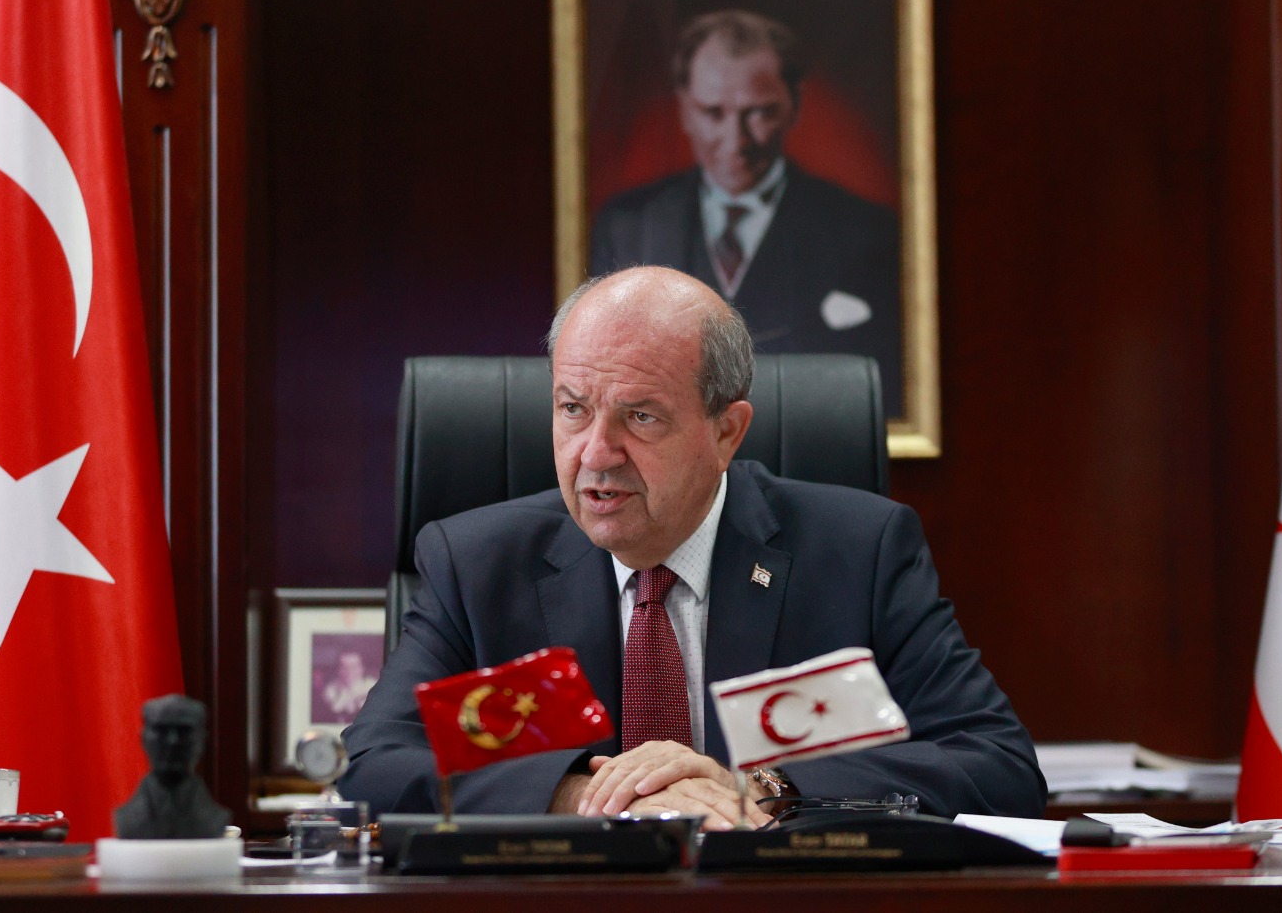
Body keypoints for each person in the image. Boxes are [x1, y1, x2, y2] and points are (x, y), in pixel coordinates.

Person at [340, 267, 1043, 828]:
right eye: (573, 408)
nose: (596, 454)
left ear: (726, 433)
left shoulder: (859, 553)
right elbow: (375, 766)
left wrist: (762, 789)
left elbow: (998, 765)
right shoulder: (477, 565)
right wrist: (581, 796)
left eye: (641, 417)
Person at [590, 10, 904, 411]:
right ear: (684, 109)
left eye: (759, 113)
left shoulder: (864, 232)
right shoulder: (627, 226)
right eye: (713, 112)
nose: (736, 140)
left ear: (794, 106)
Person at [113, 694, 231, 840]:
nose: (172, 741)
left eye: (184, 732)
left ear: (203, 741)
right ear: (143, 739)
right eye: (161, 731)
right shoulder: (129, 818)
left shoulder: (212, 818)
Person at [321, 650, 374, 723]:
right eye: (343, 667)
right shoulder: (330, 689)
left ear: (362, 668)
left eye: (353, 667)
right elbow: (333, 712)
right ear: (338, 669)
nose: (349, 671)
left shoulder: (373, 687)